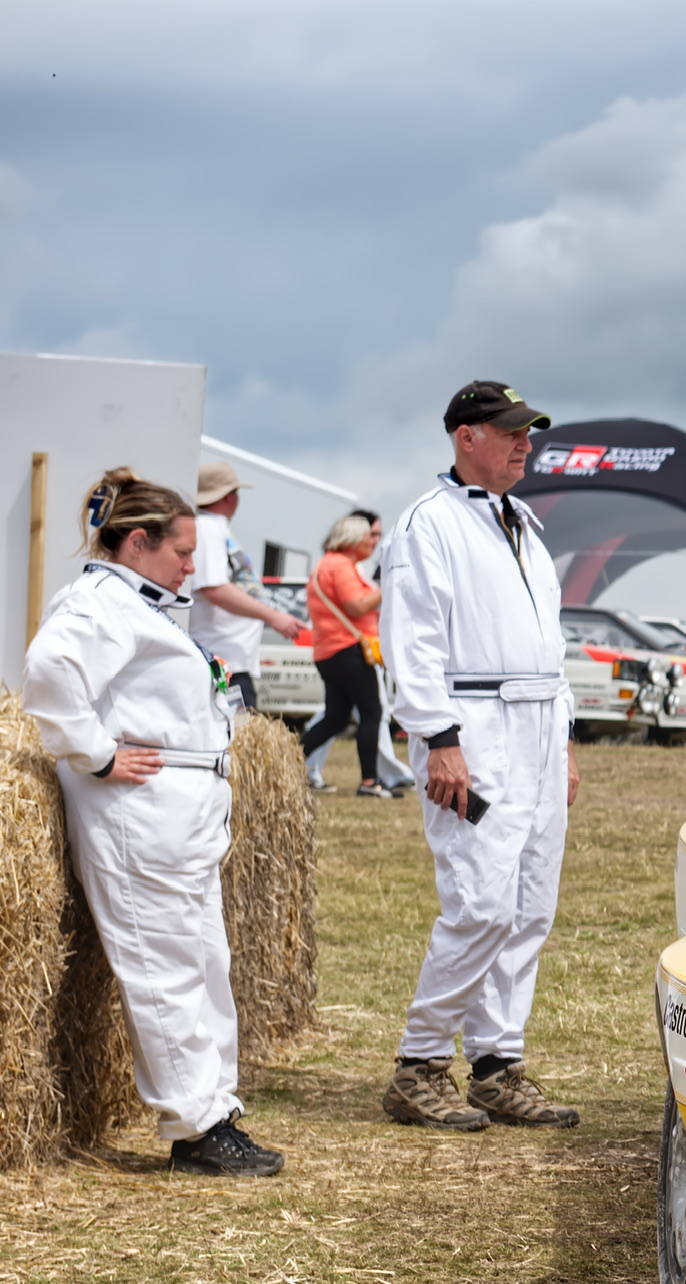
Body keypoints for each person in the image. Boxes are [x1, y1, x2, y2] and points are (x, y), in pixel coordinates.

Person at [22, 468, 284, 1176]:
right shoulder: (99, 601)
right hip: (141, 816)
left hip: (181, 814)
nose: (193, 567)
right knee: (164, 966)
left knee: (203, 962)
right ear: (137, 542)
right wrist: (99, 755)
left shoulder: (141, 605)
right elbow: (48, 670)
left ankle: (216, 1108)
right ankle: (195, 1128)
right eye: (183, 552)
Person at [378, 380, 581, 1133]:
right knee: (482, 901)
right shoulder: (427, 525)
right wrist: (439, 739)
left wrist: (561, 738)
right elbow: (414, 639)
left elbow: (550, 648)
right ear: (467, 437)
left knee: (530, 902)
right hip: (475, 724)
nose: (525, 443)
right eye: (509, 432)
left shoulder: (523, 521)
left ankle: (498, 1062)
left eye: (528, 432)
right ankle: (420, 1060)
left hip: (532, 724)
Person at [302, 510, 415, 794]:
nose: (372, 543)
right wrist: (389, 585)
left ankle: (288, 763)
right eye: (368, 537)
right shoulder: (341, 566)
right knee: (371, 713)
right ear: (352, 538)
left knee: (336, 717)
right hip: (349, 651)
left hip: (329, 652)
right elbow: (356, 606)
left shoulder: (326, 565)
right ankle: (369, 782)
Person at [188, 461, 310, 711]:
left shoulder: (209, 528)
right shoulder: (208, 529)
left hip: (226, 658)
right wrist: (273, 616)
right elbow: (215, 588)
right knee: (236, 731)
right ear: (229, 497)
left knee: (236, 728)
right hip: (221, 658)